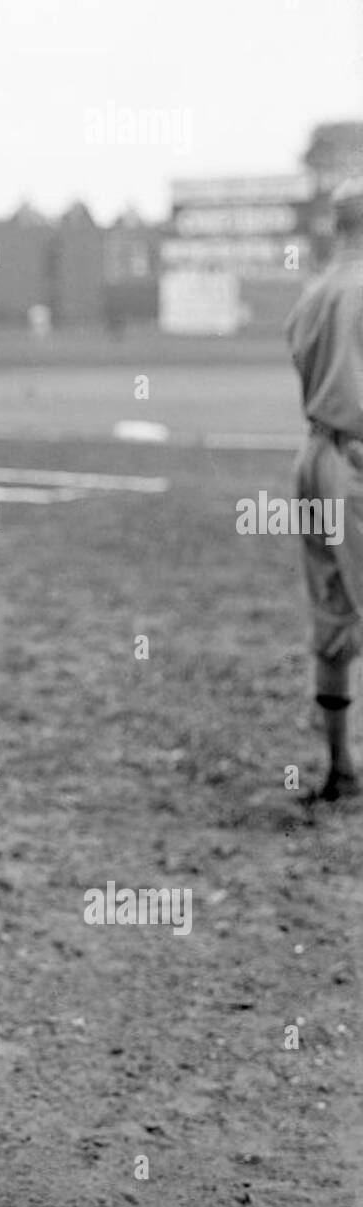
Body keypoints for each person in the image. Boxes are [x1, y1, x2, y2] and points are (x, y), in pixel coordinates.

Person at [286, 176, 363, 802]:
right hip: (359, 460)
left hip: (314, 456)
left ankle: (340, 765)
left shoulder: (315, 291)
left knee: (334, 616)